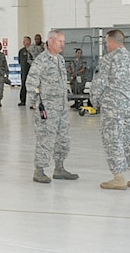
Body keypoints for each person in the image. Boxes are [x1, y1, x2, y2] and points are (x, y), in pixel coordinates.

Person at [91, 30, 130, 190]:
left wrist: (95, 101)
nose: (106, 45)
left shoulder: (108, 59)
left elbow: (99, 83)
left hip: (113, 108)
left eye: (107, 42)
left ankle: (118, 177)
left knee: (113, 140)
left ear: (112, 42)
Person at [31, 30, 78, 183]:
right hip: (47, 108)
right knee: (46, 139)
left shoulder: (60, 60)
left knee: (63, 138)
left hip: (62, 107)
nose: (63, 45)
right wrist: (37, 104)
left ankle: (59, 167)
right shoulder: (41, 60)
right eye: (60, 41)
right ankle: (39, 170)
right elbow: (31, 83)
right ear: (51, 41)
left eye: (64, 42)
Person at [18, 36, 33, 107]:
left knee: (33, 86)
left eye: (25, 41)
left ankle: (33, 102)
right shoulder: (21, 51)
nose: (24, 42)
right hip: (24, 71)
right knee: (23, 85)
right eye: (23, 41)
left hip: (32, 71)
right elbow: (19, 61)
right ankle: (22, 101)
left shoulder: (33, 50)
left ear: (29, 42)